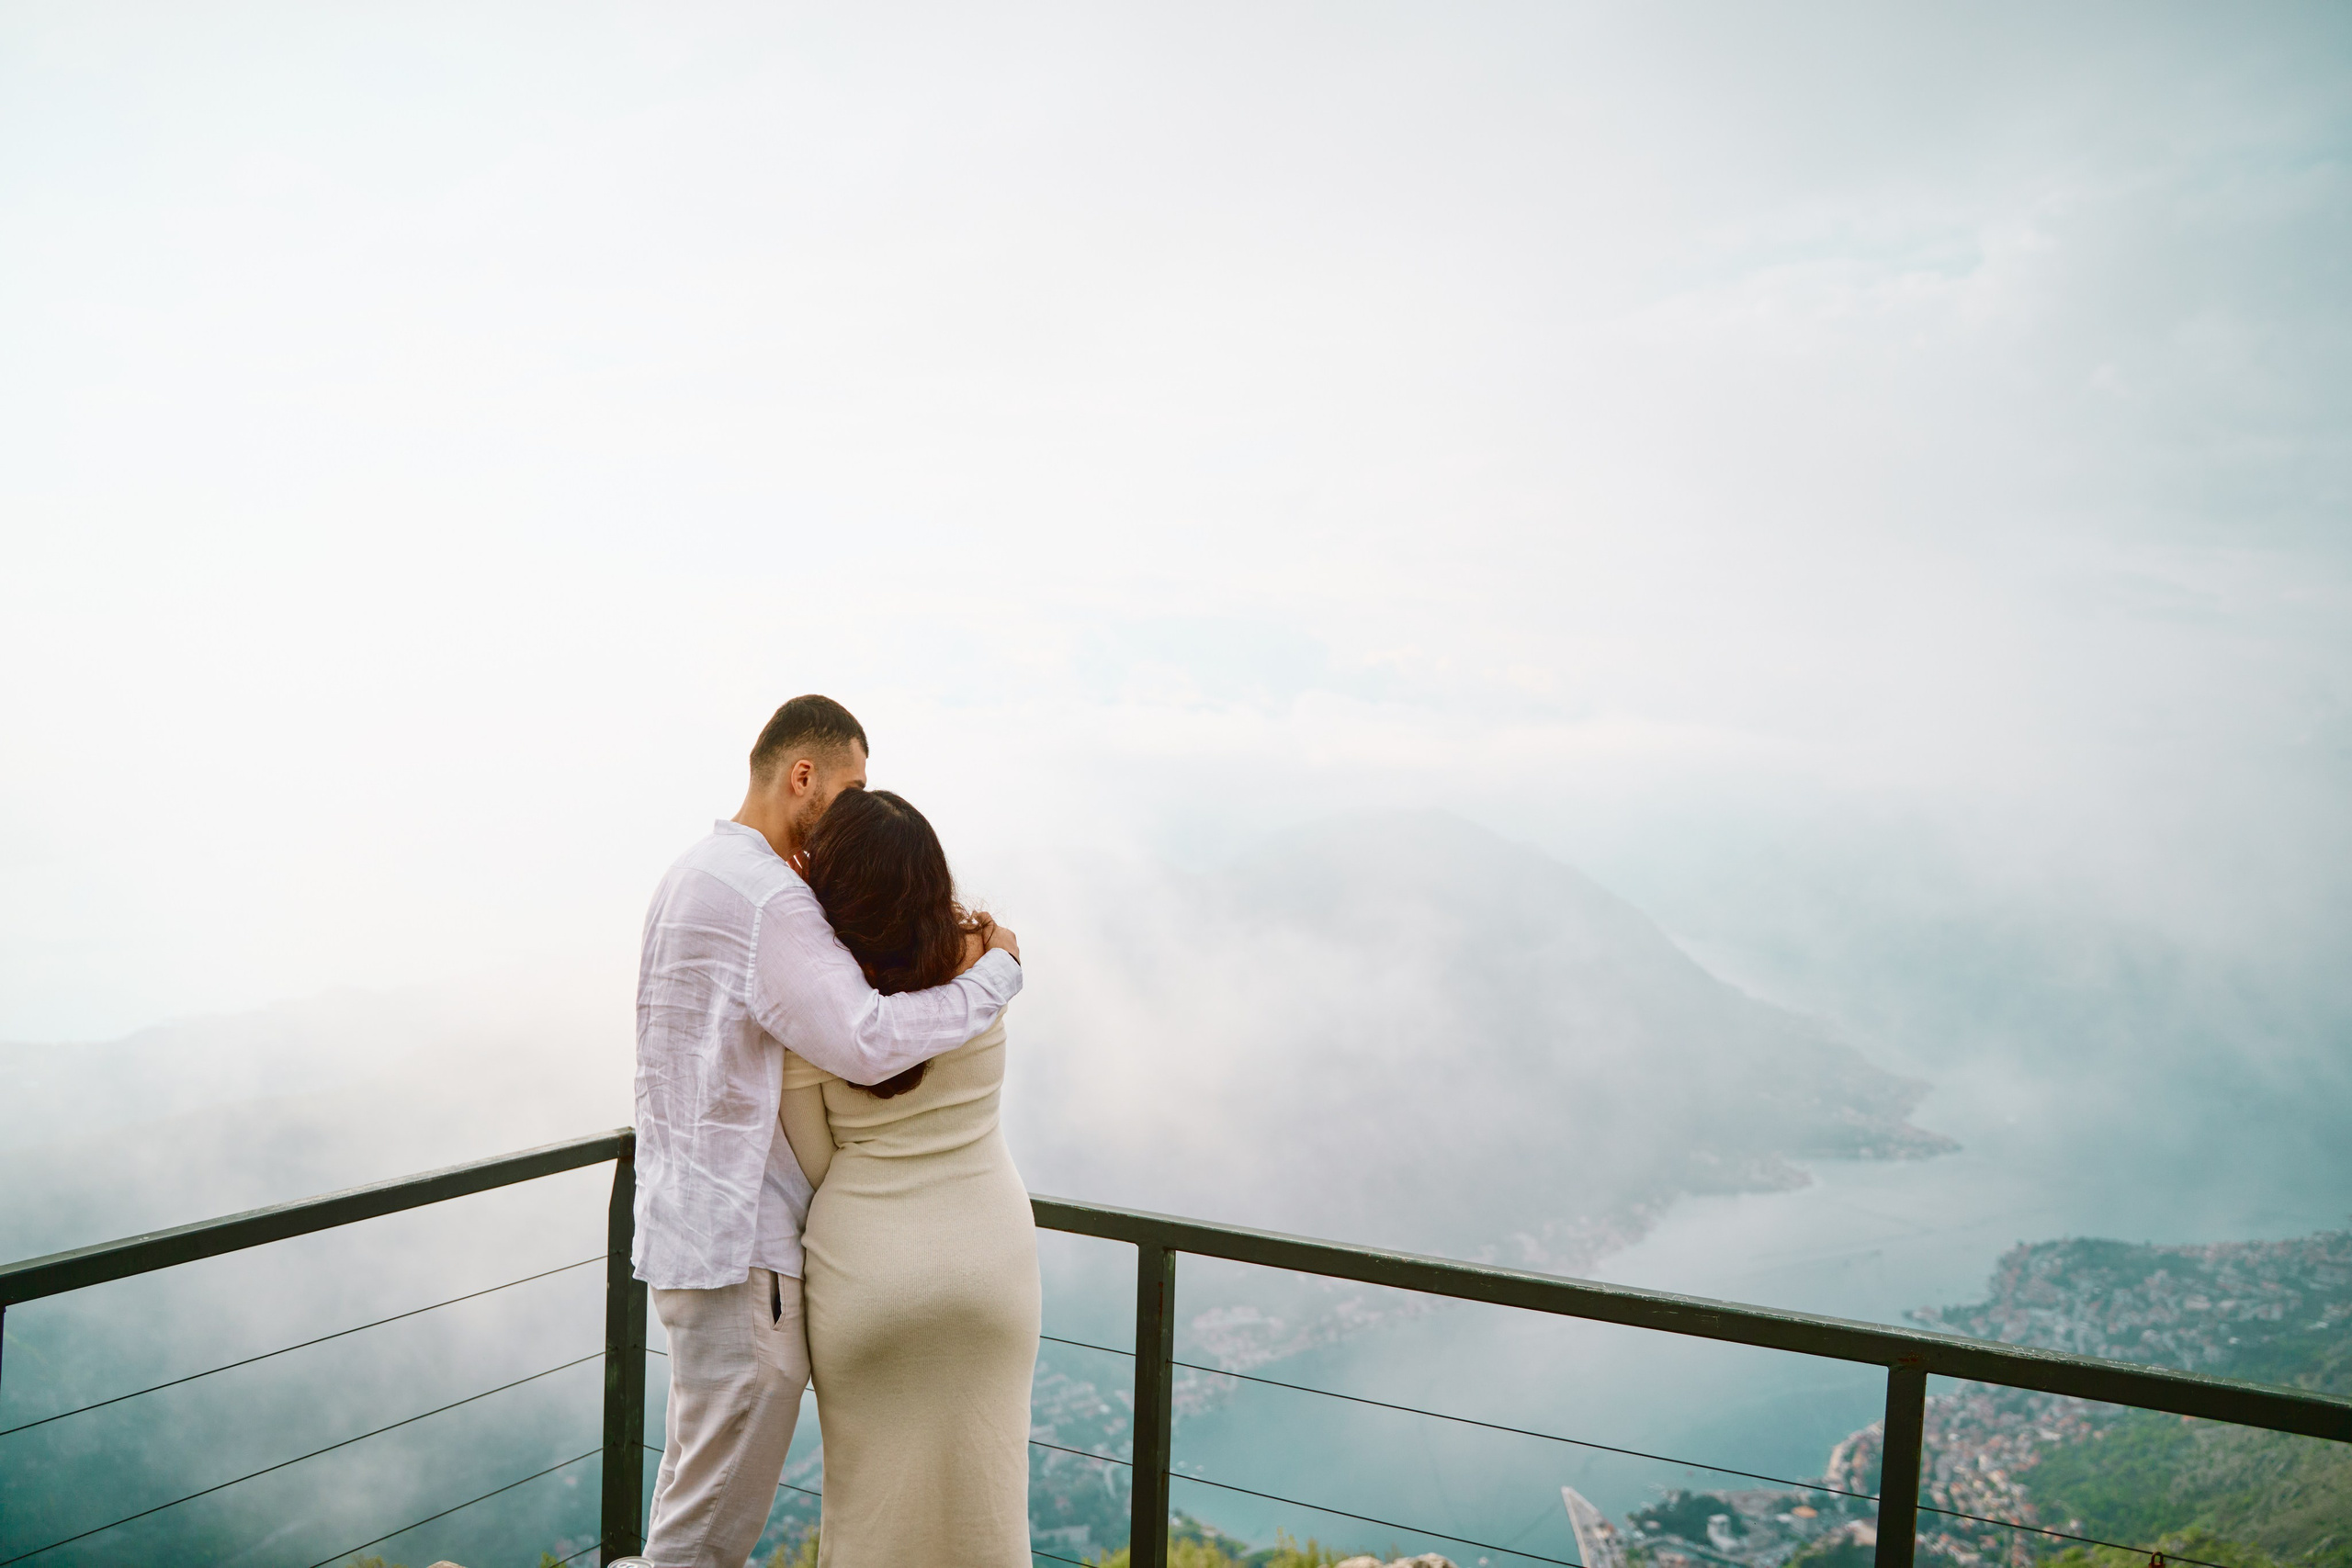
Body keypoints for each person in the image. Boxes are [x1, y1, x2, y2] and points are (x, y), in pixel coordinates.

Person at [617, 695, 1023, 1568]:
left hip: (685, 1229)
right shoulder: (772, 900)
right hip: (747, 1246)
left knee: (690, 1498)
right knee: (704, 1540)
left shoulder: (690, 875)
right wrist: (996, 977)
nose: (853, 811)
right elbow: (868, 1040)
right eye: (851, 788)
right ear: (803, 776)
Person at [774, 787, 1041, 1568]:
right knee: (987, 1503)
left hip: (867, 1276)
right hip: (991, 1260)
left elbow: (814, 1159)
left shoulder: (813, 1003)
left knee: (871, 1513)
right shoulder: (985, 956)